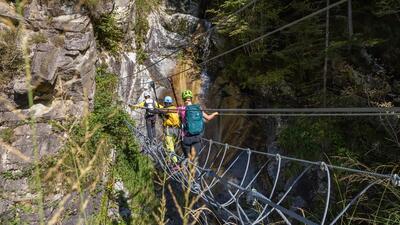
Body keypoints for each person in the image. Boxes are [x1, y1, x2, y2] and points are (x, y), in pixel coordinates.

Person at [178, 90, 218, 160]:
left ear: (183, 99)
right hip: (197, 137)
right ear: (191, 98)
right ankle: (193, 170)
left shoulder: (181, 109)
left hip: (185, 138)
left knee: (187, 159)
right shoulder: (198, 108)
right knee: (194, 160)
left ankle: (186, 169)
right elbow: (208, 118)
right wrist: (215, 113)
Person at [159, 96, 180, 164]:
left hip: (169, 129)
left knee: (169, 146)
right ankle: (169, 159)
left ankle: (175, 162)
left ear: (165, 103)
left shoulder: (167, 110)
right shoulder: (175, 108)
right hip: (176, 130)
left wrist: (159, 112)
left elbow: (161, 113)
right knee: (172, 145)